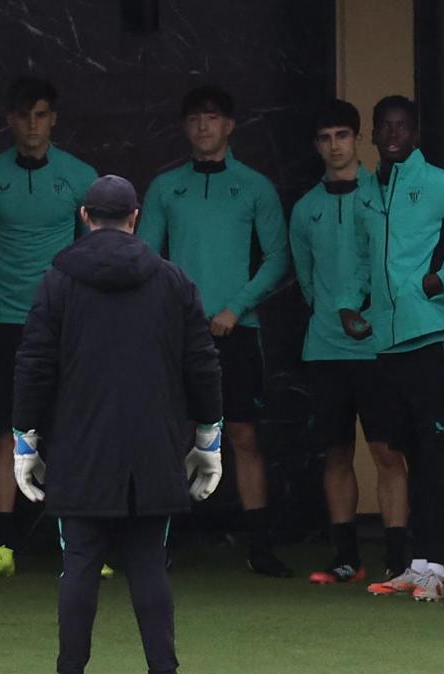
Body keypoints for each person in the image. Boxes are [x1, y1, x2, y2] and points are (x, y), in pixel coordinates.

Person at [13, 175, 222, 674]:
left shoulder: (57, 280)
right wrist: (208, 437)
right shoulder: (173, 280)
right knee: (149, 563)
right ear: (134, 217)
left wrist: (25, 439)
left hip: (80, 447)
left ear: (85, 215)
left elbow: (34, 365)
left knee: (79, 563)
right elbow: (202, 364)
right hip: (154, 444)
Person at [138, 85, 291, 578]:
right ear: (185, 127)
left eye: (212, 117)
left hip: (237, 331)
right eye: (195, 118)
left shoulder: (255, 186)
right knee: (173, 435)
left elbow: (278, 259)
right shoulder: (165, 187)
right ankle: (159, 543)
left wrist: (234, 308)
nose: (203, 126)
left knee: (243, 435)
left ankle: (260, 547)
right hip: (178, 333)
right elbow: (145, 257)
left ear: (229, 125)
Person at [345, 94, 444, 601]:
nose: (394, 134)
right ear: (374, 136)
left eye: (403, 127)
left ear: (416, 134)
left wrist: (442, 278)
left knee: (437, 454)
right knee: (402, 454)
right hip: (385, 342)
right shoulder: (366, 194)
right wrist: (350, 304)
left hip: (431, 336)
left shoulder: (440, 185)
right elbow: (363, 259)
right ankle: (417, 563)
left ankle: (439, 564)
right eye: (386, 127)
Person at [0, 76, 98, 579]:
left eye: (41, 115)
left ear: (54, 119)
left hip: (64, 322)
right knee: (6, 431)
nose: (32, 125)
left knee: (69, 431)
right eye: (23, 115)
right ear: (9, 119)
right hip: (4, 320)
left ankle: (80, 547)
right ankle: (2, 547)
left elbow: (91, 249)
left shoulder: (80, 175)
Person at [289, 99, 409, 583]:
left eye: (342, 135)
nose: (333, 145)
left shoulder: (380, 196)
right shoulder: (305, 208)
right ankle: (345, 557)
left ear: (358, 138)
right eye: (324, 138)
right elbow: (305, 279)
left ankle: (399, 560)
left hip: (378, 348)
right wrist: (329, 313)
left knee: (387, 453)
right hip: (323, 349)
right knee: (335, 453)